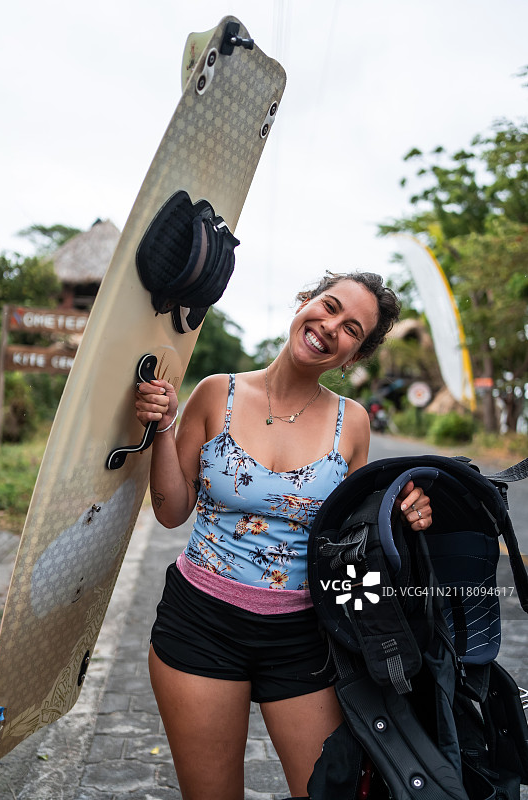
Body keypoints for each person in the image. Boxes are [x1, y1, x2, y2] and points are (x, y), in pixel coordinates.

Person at [135, 271, 433, 800]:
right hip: (200, 624)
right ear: (305, 301)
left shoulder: (353, 423)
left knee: (331, 793)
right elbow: (171, 511)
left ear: (352, 357)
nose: (330, 326)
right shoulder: (215, 393)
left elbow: (356, 535)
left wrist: (407, 512)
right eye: (330, 305)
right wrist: (162, 427)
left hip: (302, 638)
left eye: (352, 329)